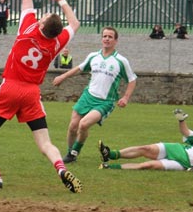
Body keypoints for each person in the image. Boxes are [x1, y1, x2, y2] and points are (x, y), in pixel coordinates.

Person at [0, 0, 82, 193]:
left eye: (42, 17)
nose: (40, 16)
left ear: (42, 25)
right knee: (45, 142)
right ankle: (61, 169)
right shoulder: (56, 43)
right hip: (32, 93)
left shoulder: (28, 27)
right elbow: (74, 24)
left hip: (11, 87)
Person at [53, 26, 137, 163]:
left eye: (110, 37)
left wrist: (126, 97)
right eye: (104, 36)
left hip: (105, 102)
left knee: (84, 125)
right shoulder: (93, 56)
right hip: (88, 96)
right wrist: (63, 77)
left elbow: (132, 80)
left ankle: (74, 152)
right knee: (73, 126)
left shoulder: (121, 61)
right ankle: (70, 153)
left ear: (116, 41)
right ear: (101, 39)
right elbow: (79, 68)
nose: (107, 39)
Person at [98, 109, 193, 170]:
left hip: (184, 165)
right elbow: (185, 132)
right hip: (178, 149)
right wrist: (181, 120)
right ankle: (110, 154)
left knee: (147, 166)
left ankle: (109, 167)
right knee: (145, 149)